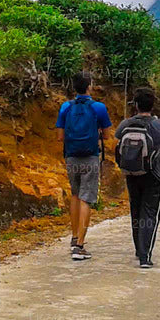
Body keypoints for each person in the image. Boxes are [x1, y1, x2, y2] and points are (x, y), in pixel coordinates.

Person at [114, 87, 160, 269]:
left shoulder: (125, 124)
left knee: (136, 208)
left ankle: (138, 248)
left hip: (132, 173)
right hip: (154, 174)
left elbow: (116, 147)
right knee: (150, 213)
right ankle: (145, 256)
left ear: (136, 105)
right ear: (152, 105)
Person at [56, 71, 113, 261]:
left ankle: (73, 237)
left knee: (74, 194)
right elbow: (106, 135)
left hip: (71, 156)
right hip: (90, 157)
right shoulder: (99, 108)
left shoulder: (65, 107)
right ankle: (80, 246)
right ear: (89, 87)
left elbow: (59, 137)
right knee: (86, 198)